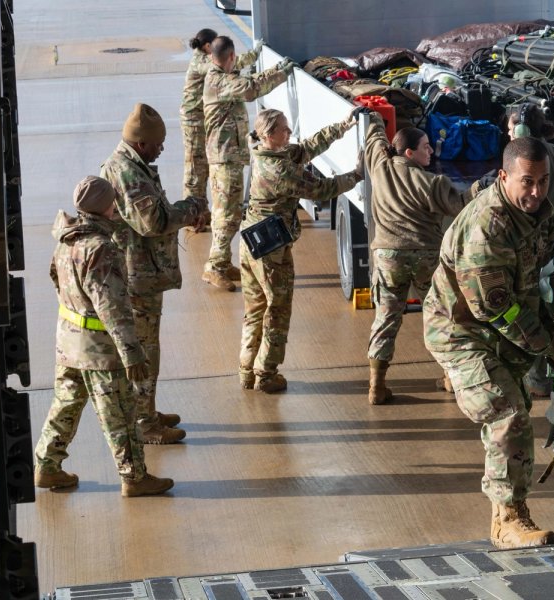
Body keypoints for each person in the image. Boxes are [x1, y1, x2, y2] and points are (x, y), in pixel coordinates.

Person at [423, 138, 554, 549]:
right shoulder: (486, 228)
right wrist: (550, 346)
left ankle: (506, 513)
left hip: (498, 330)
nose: (537, 191)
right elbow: (499, 310)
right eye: (527, 182)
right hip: (461, 333)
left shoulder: (534, 214)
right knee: (508, 412)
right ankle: (508, 520)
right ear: (504, 176)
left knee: (517, 409)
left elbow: (528, 282)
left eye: (544, 181)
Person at [34, 176, 173, 497]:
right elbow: (111, 306)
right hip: (99, 349)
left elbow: (58, 282)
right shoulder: (100, 250)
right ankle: (135, 477)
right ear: (106, 206)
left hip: (69, 341)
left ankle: (46, 465)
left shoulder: (66, 240)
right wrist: (131, 352)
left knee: (65, 406)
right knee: (120, 413)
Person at [101, 103, 208, 445]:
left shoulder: (132, 164)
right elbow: (153, 222)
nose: (162, 149)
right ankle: (145, 424)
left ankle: (145, 410)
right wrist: (191, 209)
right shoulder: (128, 172)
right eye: (158, 144)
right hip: (136, 275)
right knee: (144, 352)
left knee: (147, 348)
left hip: (141, 271)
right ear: (141, 143)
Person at [242, 109, 362, 393]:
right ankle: (266, 373)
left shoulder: (262, 150)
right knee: (277, 309)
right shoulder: (280, 171)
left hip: (252, 241)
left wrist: (343, 125)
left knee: (255, 308)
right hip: (271, 248)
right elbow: (322, 189)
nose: (289, 133)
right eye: (284, 130)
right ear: (269, 135)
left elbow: (307, 148)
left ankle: (247, 369)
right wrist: (357, 175)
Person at [364, 113, 472, 405]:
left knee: (386, 318)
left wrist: (373, 117)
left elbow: (374, 138)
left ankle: (377, 386)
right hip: (426, 257)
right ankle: (450, 377)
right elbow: (459, 205)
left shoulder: (379, 167)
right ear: (410, 153)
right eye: (426, 146)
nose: (432, 151)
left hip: (387, 257)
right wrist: (483, 186)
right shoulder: (433, 183)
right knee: (440, 318)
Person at [503, 103, 554, 398]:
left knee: (532, 307)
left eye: (511, 128)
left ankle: (537, 380)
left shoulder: (520, 167)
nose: (508, 133)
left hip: (537, 243)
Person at [202, 35, 293, 290]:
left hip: (227, 156)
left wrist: (257, 57)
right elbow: (250, 89)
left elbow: (243, 78)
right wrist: (280, 72)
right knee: (227, 215)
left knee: (227, 212)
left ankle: (221, 261)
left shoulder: (217, 74)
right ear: (229, 57)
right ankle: (214, 267)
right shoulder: (220, 80)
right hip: (224, 158)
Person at [180, 28, 261, 227]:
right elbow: (229, 61)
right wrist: (255, 53)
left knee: (204, 166)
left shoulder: (202, 59)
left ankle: (200, 210)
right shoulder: (202, 61)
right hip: (194, 122)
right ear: (208, 46)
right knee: (196, 169)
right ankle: (194, 214)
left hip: (202, 120)